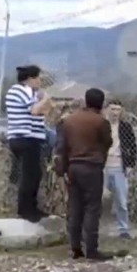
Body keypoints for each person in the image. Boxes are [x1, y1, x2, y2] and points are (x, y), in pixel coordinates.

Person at [56, 88, 115, 261]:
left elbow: (62, 147)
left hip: (73, 167)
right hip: (92, 166)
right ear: (101, 103)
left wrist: (63, 169)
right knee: (92, 208)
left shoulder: (69, 121)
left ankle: (75, 248)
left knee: (75, 207)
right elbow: (107, 142)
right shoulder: (100, 122)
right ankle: (92, 249)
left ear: (85, 101)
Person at [4, 64, 53, 222]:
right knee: (29, 175)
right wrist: (45, 98)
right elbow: (34, 110)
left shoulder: (27, 92)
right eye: (38, 78)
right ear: (30, 79)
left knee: (34, 174)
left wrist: (42, 102)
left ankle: (31, 207)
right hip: (25, 137)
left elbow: (44, 111)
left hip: (29, 137)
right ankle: (25, 209)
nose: (39, 81)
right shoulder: (21, 90)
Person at [104, 99, 137, 240]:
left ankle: (123, 229)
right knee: (98, 200)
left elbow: (133, 147)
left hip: (119, 167)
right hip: (103, 167)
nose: (115, 113)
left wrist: (130, 165)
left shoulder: (125, 127)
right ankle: (97, 229)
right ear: (107, 110)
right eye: (112, 109)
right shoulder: (102, 125)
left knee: (121, 201)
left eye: (118, 110)